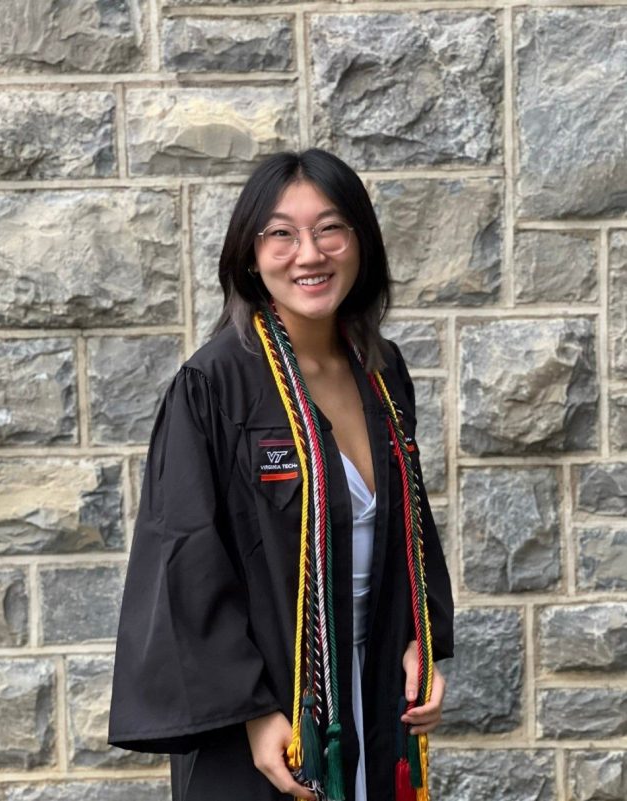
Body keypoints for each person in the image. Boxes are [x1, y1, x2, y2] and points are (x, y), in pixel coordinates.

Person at [108, 148, 454, 801]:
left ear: (361, 242)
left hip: (370, 687)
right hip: (264, 713)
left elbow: (408, 528)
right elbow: (185, 556)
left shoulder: (381, 372)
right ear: (249, 251)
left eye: (330, 228)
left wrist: (420, 642)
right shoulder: (214, 386)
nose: (309, 254)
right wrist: (253, 711)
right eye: (281, 233)